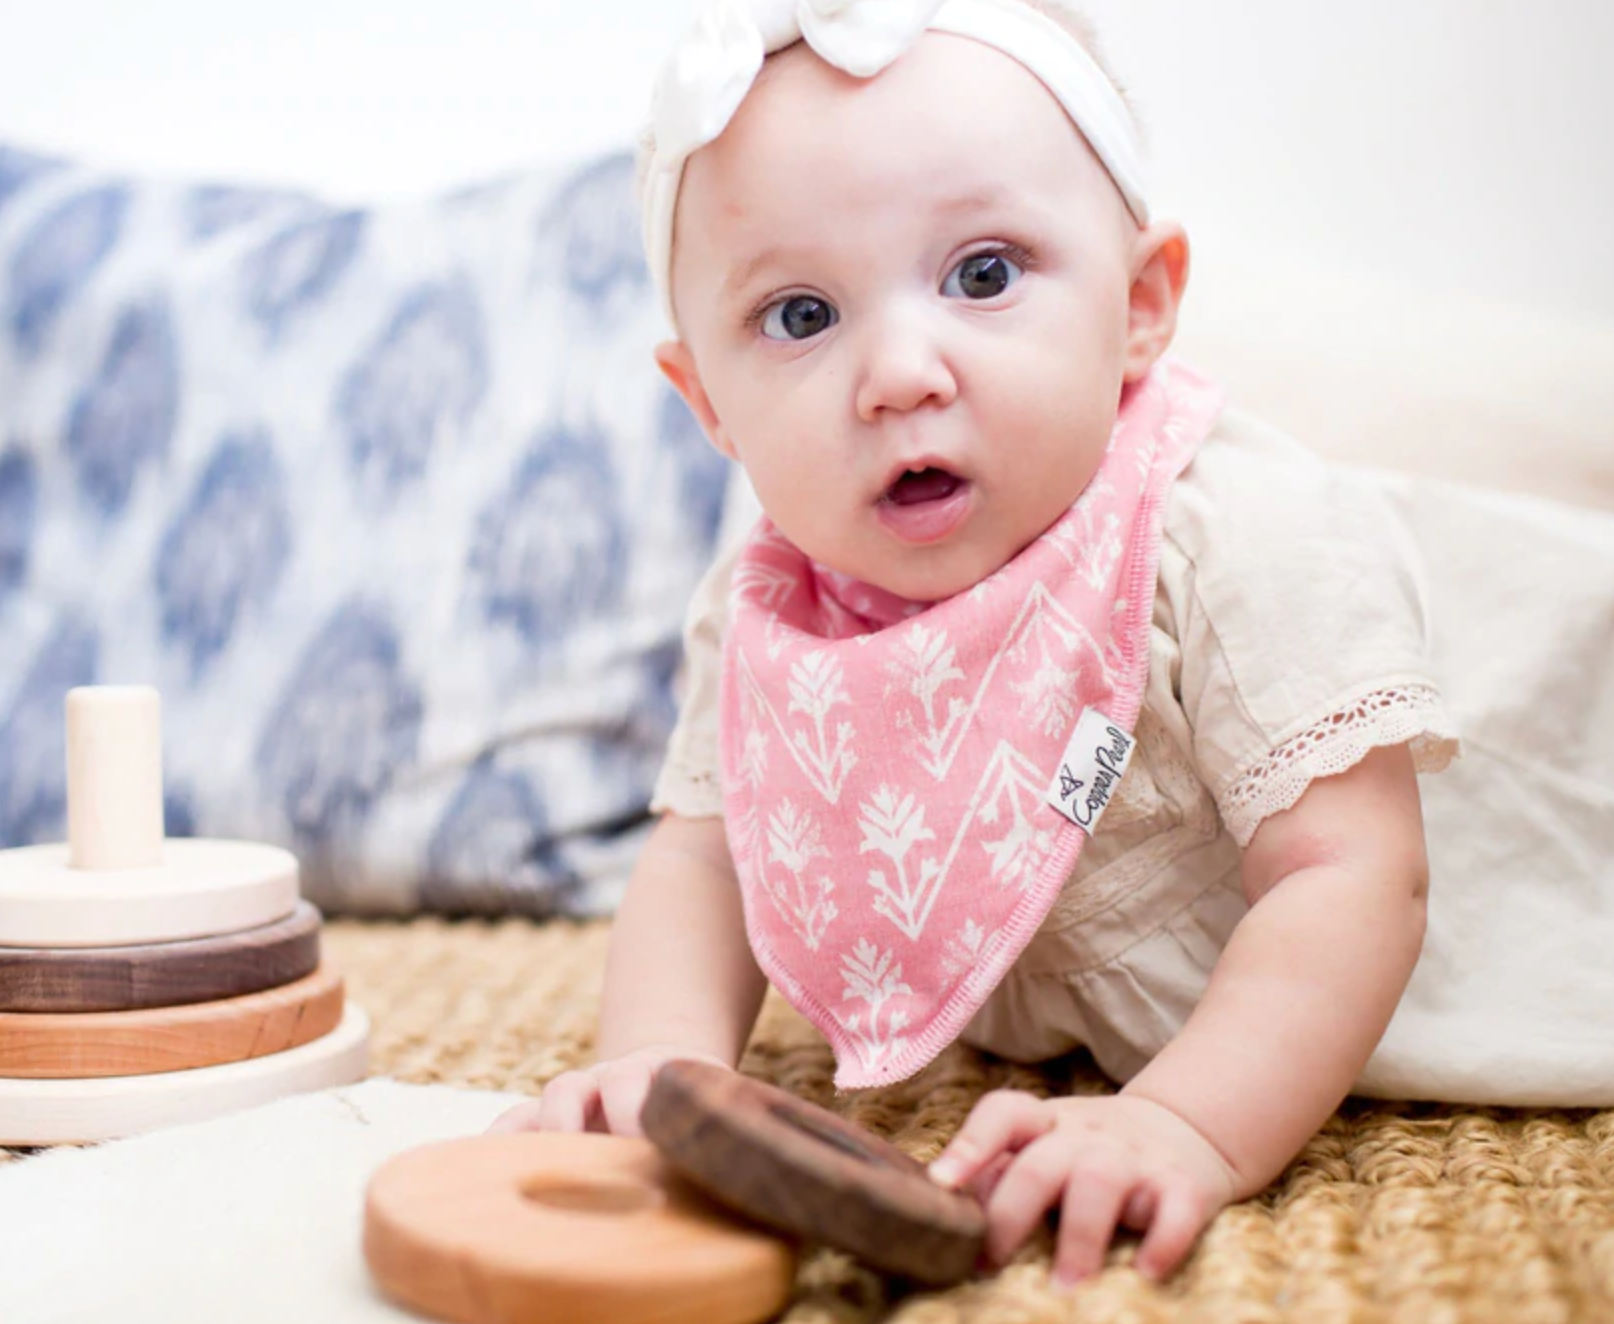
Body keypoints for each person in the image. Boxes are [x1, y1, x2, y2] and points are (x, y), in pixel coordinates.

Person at [493, 0, 1614, 1288]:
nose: (901, 371)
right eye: (801, 316)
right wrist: (664, 1071)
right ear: (707, 406)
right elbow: (705, 857)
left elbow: (1353, 875)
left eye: (982, 275)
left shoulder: (1240, 541)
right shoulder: (770, 614)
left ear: (1140, 306)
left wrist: (1182, 1122)